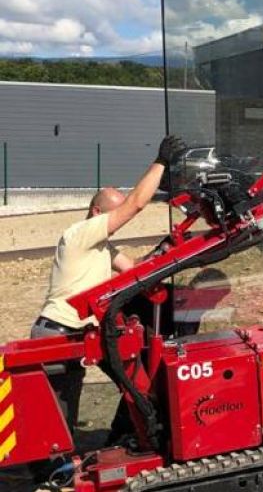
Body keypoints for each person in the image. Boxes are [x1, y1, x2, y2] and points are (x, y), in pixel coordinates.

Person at [30, 135, 187, 437]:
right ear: (97, 213)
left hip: (80, 333)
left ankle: (131, 436)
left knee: (128, 386)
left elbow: (135, 269)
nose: (119, 221)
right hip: (58, 332)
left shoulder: (100, 248)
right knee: (56, 418)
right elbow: (135, 204)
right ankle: (53, 465)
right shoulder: (80, 233)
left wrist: (169, 249)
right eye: (114, 215)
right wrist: (161, 162)